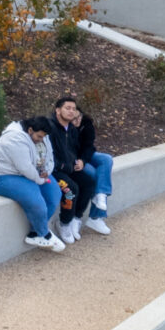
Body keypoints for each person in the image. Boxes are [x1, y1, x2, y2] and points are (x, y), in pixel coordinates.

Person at [0, 113, 66, 252]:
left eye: (44, 137)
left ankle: (35, 233)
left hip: (31, 173)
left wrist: (47, 170)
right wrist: (40, 179)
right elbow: (25, 167)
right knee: (36, 201)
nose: (42, 140)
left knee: (54, 194)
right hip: (0, 176)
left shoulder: (42, 135)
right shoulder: (14, 138)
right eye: (39, 137)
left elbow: (50, 157)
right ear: (30, 130)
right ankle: (44, 234)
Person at [48, 94, 113, 241]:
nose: (71, 111)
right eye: (67, 108)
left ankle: (76, 218)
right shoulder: (50, 127)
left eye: (73, 109)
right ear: (58, 110)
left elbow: (79, 149)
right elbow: (47, 155)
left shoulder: (71, 129)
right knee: (71, 190)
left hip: (69, 167)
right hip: (54, 170)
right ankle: (64, 222)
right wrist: (64, 165)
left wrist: (81, 161)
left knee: (89, 182)